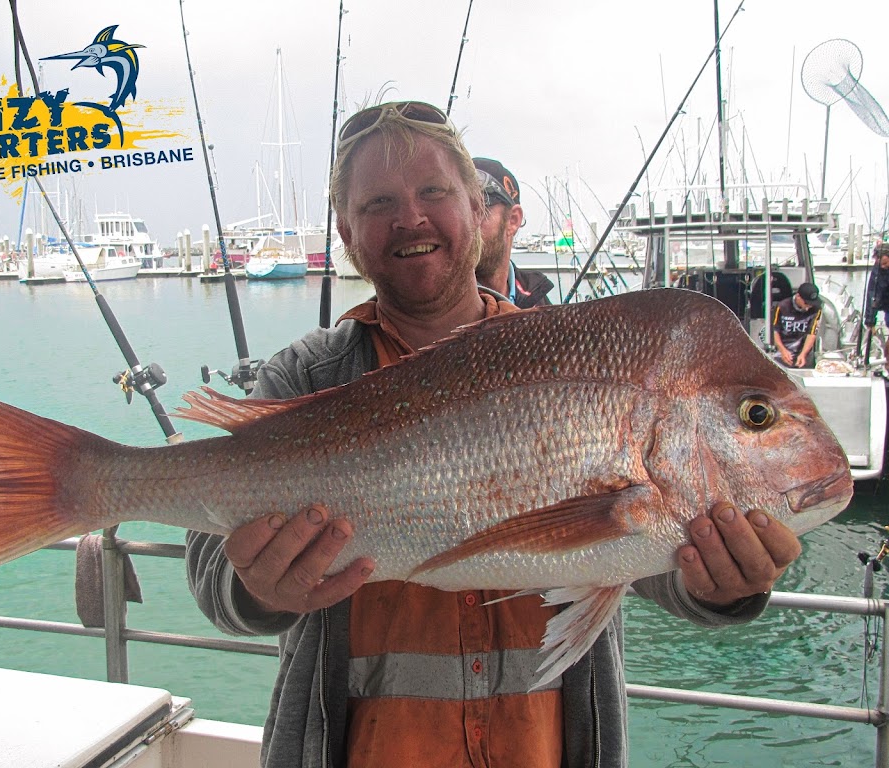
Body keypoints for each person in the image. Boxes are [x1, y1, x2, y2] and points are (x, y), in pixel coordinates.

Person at [185, 100, 802, 768]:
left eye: (433, 193)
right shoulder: (305, 375)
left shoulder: (577, 358)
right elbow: (208, 558)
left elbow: (640, 559)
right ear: (346, 231)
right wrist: (256, 589)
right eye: (378, 203)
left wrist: (721, 584)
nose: (411, 218)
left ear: (477, 211)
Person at [473, 156, 553, 307]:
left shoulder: (536, 297)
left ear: (513, 220)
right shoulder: (437, 304)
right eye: (459, 210)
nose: (466, 222)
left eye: (479, 209)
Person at [772, 281, 822, 368]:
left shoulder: (816, 309)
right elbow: (775, 331)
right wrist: (783, 350)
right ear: (798, 296)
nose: (808, 306)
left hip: (804, 352)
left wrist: (803, 354)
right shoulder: (782, 306)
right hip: (782, 350)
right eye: (806, 303)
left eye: (812, 304)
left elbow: (812, 333)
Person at [864, 242, 889, 365]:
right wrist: (870, 320)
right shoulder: (878, 271)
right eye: (880, 264)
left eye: (885, 263)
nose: (883, 266)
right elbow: (872, 294)